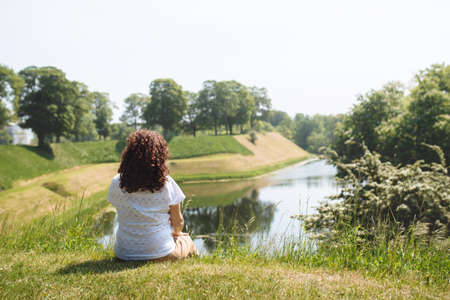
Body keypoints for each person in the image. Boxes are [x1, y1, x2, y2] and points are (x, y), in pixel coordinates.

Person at [107, 129, 198, 261]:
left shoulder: (116, 182)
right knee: (185, 238)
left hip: (124, 253)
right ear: (160, 156)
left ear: (128, 155)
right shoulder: (166, 183)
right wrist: (175, 235)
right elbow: (178, 223)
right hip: (161, 253)